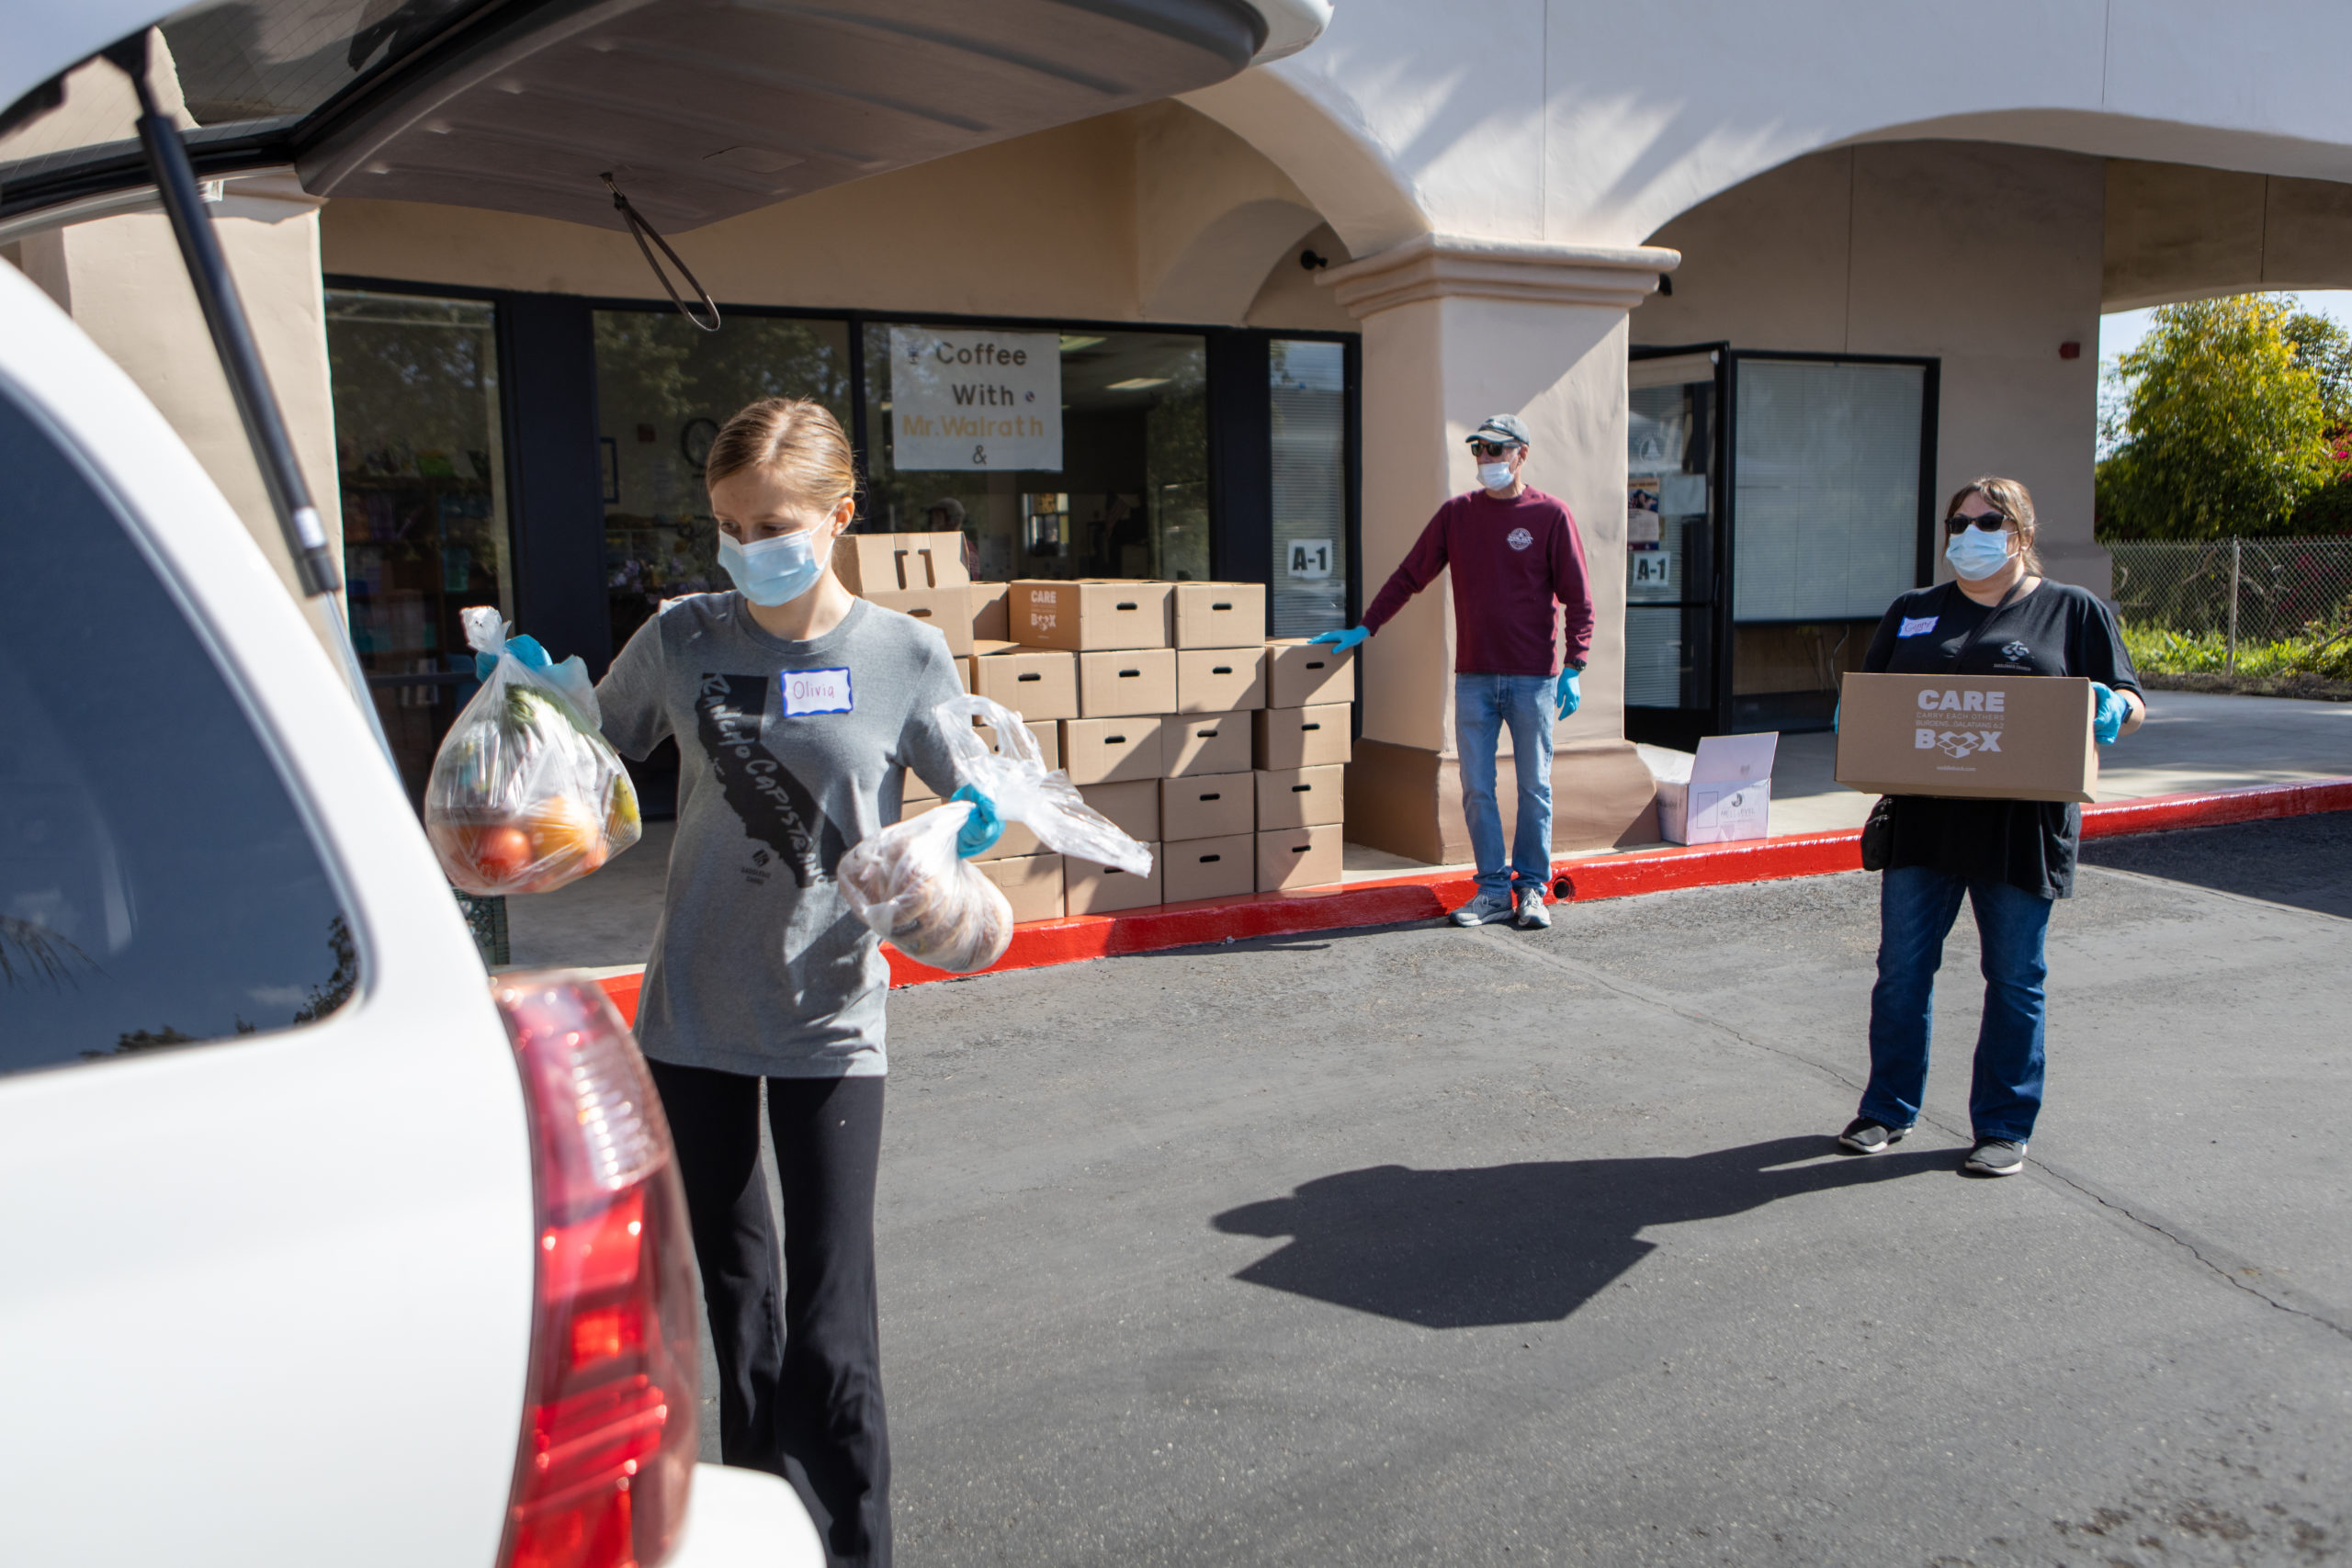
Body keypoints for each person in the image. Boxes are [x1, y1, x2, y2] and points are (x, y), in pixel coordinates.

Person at [595, 398, 991, 1567]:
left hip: (829, 1017)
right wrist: (519, 705)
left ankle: (853, 1543)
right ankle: (770, 1531)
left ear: (837, 516)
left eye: (770, 521)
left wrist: (964, 826)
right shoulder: (682, 637)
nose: (744, 543)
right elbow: (592, 752)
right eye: (724, 522)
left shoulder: (902, 654)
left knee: (829, 1322)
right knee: (736, 1307)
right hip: (694, 1017)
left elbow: (969, 797)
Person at [1836, 476, 2144, 1179]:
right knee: (1902, 972)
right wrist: (1852, 719)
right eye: (1959, 521)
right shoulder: (1913, 611)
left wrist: (2115, 709)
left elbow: (2128, 692)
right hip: (1923, 823)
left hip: (2021, 829)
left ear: (2021, 532)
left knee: (2013, 977)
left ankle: (2004, 1125)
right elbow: (1874, 695)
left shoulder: (2073, 611)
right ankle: (1887, 1109)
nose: (1969, 534)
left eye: (1987, 521)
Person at [1311, 413, 1593, 930]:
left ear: (1520, 455)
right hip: (1476, 678)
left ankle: (1531, 889)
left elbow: (1578, 597)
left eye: (1496, 451)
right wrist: (1365, 627)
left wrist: (1575, 665)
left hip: (1534, 678)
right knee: (1477, 786)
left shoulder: (1551, 516)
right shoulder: (1457, 516)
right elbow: (1409, 575)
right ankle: (1491, 891)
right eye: (1479, 451)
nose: (1486, 460)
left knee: (1535, 788)